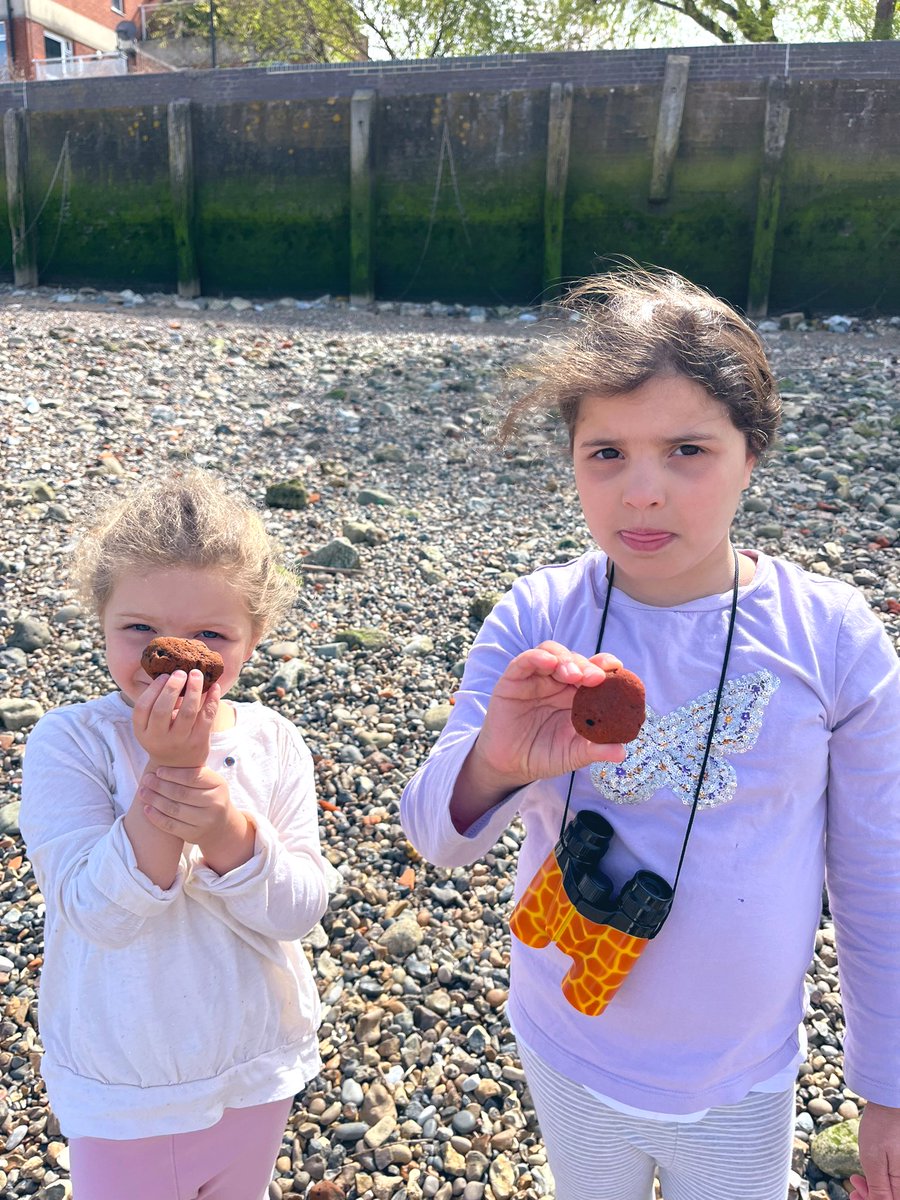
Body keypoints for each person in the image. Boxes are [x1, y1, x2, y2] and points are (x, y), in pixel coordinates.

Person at [399, 268, 900, 1200]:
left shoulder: (830, 639)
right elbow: (433, 833)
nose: (642, 493)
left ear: (753, 451)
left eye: (686, 450)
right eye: (607, 454)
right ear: (573, 461)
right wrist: (498, 760)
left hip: (740, 1072)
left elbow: (880, 875)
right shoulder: (536, 617)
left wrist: (889, 1090)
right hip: (567, 1040)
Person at [20, 470, 329, 1200]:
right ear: (101, 621)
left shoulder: (273, 742)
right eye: (141, 631)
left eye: (210, 636)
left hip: (257, 1067)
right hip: (127, 1084)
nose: (174, 655)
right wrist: (168, 775)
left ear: (253, 640)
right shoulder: (69, 744)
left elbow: (301, 909)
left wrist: (225, 830)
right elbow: (95, 913)